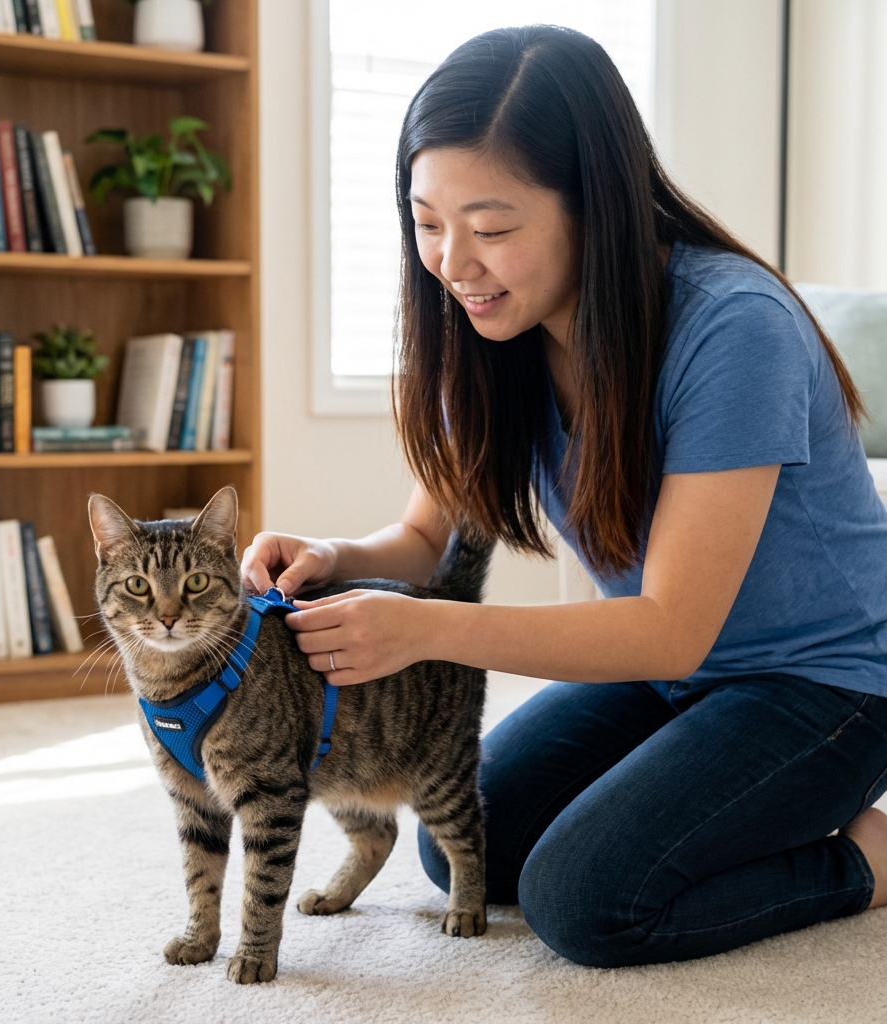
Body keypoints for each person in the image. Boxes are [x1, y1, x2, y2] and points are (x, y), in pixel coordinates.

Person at [241, 25, 887, 967]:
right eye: (428, 223)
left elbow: (671, 626)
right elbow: (424, 537)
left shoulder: (735, 329)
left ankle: (868, 854)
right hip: (673, 679)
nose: (455, 263)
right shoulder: (495, 329)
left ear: (596, 205)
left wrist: (421, 630)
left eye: (492, 229)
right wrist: (335, 560)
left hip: (824, 686)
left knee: (583, 900)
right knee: (458, 841)